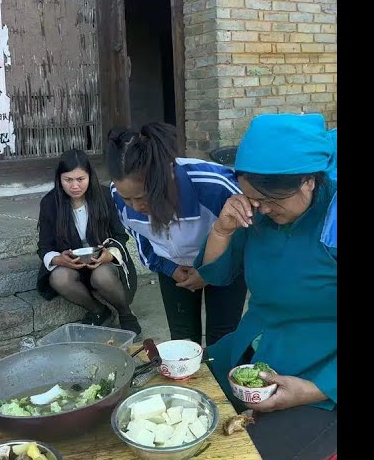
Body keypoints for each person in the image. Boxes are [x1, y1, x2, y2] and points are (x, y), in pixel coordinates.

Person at [194, 113, 337, 460]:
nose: (263, 208)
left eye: (272, 200)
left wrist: (316, 389)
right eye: (253, 198)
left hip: (319, 371)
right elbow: (215, 275)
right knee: (180, 401)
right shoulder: (257, 211)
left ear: (308, 182)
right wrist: (222, 230)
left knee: (243, 452)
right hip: (255, 348)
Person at [107, 122, 248, 347]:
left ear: (168, 175)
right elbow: (142, 240)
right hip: (175, 271)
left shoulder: (214, 186)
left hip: (226, 266)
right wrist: (170, 269)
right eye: (127, 199)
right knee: (182, 340)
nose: (135, 206)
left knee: (222, 340)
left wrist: (209, 272)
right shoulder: (118, 195)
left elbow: (247, 239)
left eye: (143, 196)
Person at [35, 149, 141, 334]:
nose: (75, 186)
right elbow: (44, 246)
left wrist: (109, 255)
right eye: (68, 180)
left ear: (89, 176)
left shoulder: (105, 196)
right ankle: (100, 311)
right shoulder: (50, 203)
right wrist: (58, 259)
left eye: (80, 179)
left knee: (102, 275)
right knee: (59, 278)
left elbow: (120, 236)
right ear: (59, 179)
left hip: (102, 263)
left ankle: (126, 314)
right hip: (72, 265)